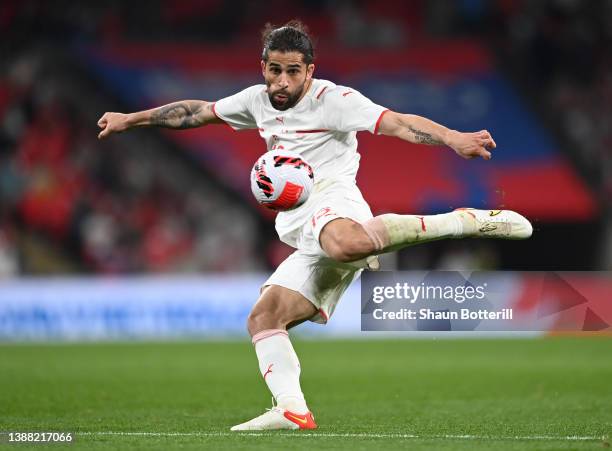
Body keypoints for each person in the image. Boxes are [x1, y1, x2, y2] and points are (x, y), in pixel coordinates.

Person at [97, 20, 532, 431]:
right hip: (300, 224)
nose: (282, 82)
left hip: (333, 197)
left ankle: (463, 222)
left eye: (292, 72)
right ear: (263, 67)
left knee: (345, 244)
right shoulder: (256, 100)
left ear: (310, 71)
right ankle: (292, 409)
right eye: (274, 70)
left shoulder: (336, 101)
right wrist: (130, 119)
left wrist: (454, 138)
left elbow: (397, 122)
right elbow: (197, 111)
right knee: (264, 316)